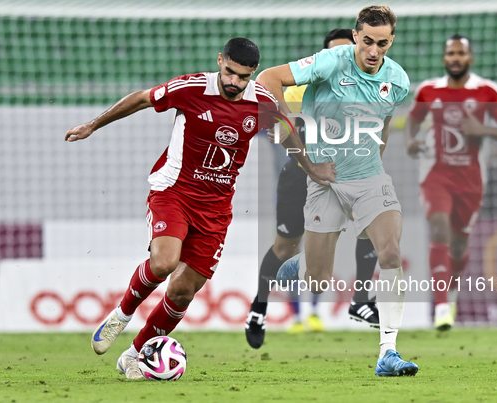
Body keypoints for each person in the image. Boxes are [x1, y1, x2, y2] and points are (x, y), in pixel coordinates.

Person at [65, 37, 334, 380]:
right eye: (230, 72)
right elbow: (142, 98)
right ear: (220, 61)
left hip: (217, 209)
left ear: (252, 74)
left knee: (182, 291)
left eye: (243, 76)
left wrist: (311, 169)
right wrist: (93, 124)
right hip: (174, 192)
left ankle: (134, 355)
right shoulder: (192, 87)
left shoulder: (262, 102)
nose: (234, 82)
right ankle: (122, 313)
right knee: (164, 263)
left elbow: (288, 131)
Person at [258, 6, 419, 377]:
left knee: (391, 252)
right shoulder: (331, 61)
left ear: (391, 41)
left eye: (382, 43)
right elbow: (268, 78)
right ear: (356, 35)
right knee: (318, 280)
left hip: (369, 179)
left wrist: (371, 169)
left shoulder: (398, 80)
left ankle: (388, 353)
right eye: (366, 42)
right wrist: (291, 132)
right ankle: (295, 269)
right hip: (323, 180)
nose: (373, 51)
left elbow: (383, 123)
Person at [245, 28, 380, 347]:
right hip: (298, 178)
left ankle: (357, 300)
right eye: (333, 54)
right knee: (287, 249)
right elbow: (258, 117)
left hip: (343, 180)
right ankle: (259, 306)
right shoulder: (296, 92)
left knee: (374, 225)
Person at [405, 34, 497, 331]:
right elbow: (413, 119)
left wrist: (480, 128)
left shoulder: (487, 90)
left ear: (470, 58)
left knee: (458, 247)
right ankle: (441, 306)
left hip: (471, 179)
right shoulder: (429, 90)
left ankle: (450, 293)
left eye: (461, 54)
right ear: (444, 59)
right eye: (450, 54)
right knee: (439, 228)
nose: (455, 58)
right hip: (435, 174)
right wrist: (410, 141)